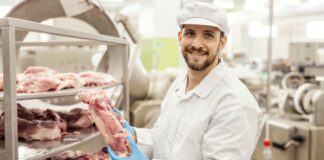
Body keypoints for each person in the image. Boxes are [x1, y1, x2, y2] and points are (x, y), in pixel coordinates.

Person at [107, 1, 262, 160]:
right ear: (180, 37)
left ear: (221, 43)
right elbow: (162, 137)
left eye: (208, 35)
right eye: (190, 33)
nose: (196, 44)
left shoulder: (234, 104)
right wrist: (132, 135)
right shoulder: (180, 83)